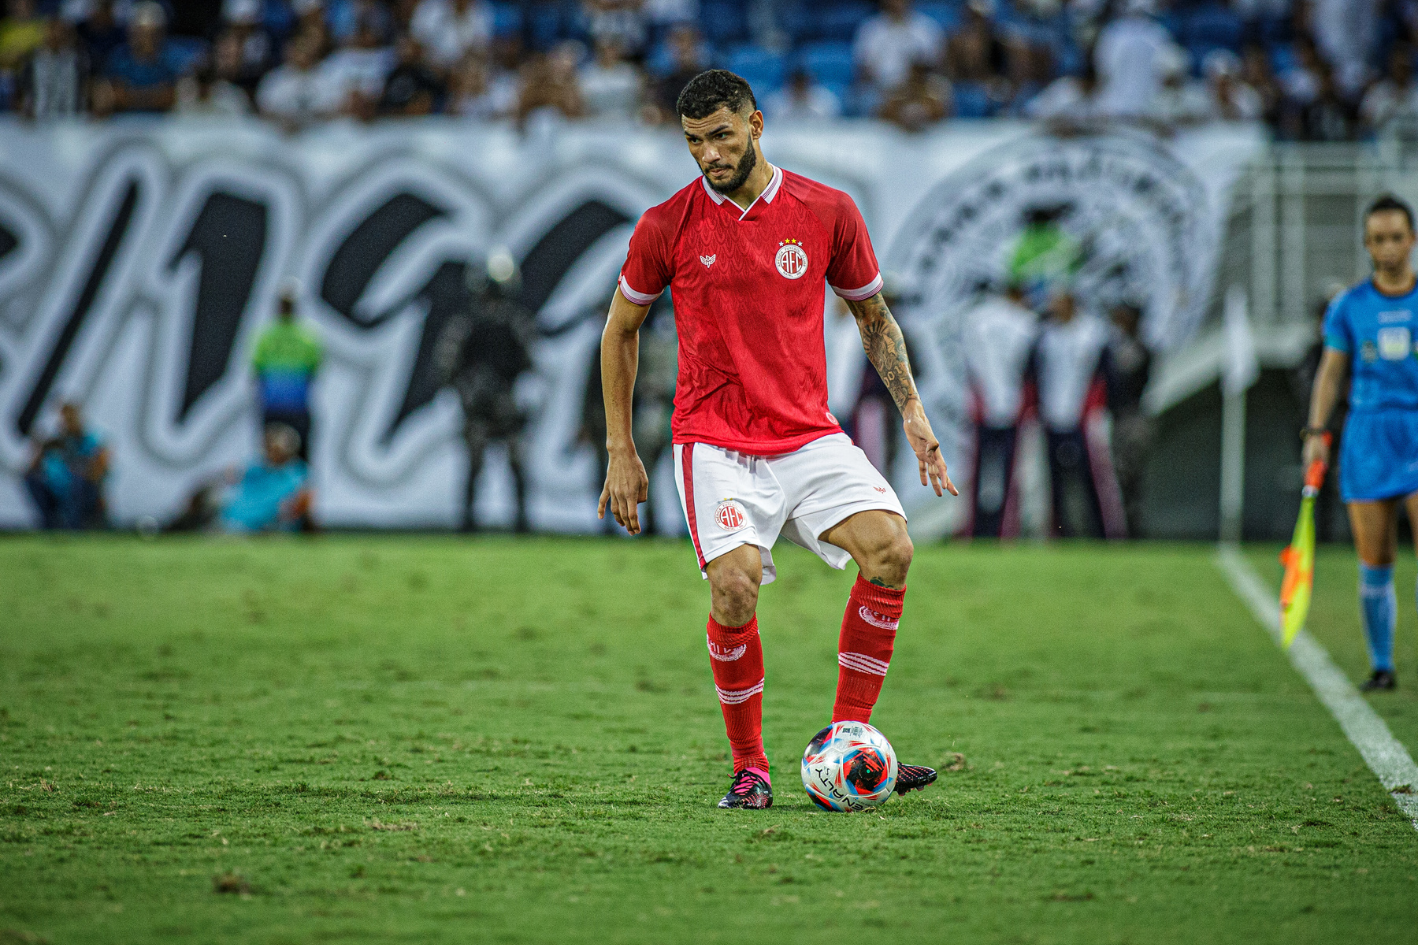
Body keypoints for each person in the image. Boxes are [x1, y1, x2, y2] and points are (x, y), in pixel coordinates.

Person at [600, 69, 956, 810]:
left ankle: (850, 740)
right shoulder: (666, 225)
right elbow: (620, 331)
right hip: (716, 441)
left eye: (721, 136)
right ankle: (751, 767)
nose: (708, 155)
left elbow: (874, 318)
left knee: (892, 548)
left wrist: (913, 414)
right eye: (694, 142)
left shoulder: (827, 210)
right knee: (734, 586)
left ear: (757, 125)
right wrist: (620, 449)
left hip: (806, 434)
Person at [1302, 194, 1418, 692]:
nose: (1388, 247)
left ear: (1411, 240)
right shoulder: (1349, 306)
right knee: (1375, 559)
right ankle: (1381, 665)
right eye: (1378, 239)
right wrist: (1315, 432)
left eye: (1397, 237)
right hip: (1367, 436)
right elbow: (1331, 374)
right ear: (1367, 244)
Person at [434, 252, 536, 533]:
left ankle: (521, 521)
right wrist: (467, 389)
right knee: (475, 465)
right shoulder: (468, 325)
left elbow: (530, 365)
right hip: (478, 405)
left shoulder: (514, 324)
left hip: (506, 405)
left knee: (515, 463)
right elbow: (447, 365)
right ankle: (469, 521)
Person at [1029, 287, 1124, 539]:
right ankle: (1060, 532)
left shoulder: (1093, 334)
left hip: (1085, 418)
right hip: (1052, 416)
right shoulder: (1046, 336)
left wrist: (1098, 408)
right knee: (1055, 482)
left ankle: (1105, 533)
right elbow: (1034, 374)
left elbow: (1106, 378)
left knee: (1094, 479)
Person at [962, 282, 1037, 538]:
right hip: (1012, 406)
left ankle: (973, 531)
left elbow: (972, 368)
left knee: (976, 473)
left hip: (982, 406)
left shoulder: (974, 320)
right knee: (1010, 474)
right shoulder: (1026, 322)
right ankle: (1005, 532)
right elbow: (1029, 370)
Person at [167, 424, 312, 533]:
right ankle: (178, 525)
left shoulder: (297, 473)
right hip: (234, 517)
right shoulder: (256, 466)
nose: (272, 451)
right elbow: (228, 475)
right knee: (211, 493)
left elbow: (303, 503)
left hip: (268, 525)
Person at [251, 283, 322, 460]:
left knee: (285, 462)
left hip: (283, 408)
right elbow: (313, 372)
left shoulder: (266, 336)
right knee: (278, 462)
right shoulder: (307, 337)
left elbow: (257, 372)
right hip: (286, 409)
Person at [23, 401, 109, 530]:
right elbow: (32, 468)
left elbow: (100, 468)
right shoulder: (56, 441)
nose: (67, 422)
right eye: (64, 419)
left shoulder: (90, 439)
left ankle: (76, 526)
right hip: (58, 489)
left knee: (78, 480)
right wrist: (41, 449)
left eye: (71, 418)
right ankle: (49, 522)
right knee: (32, 479)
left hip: (83, 490)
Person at [1104, 301, 1151, 538]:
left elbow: (1131, 380)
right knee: (1114, 474)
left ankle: (1132, 528)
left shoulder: (1141, 349)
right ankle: (1116, 527)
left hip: (1132, 417)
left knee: (1130, 473)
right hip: (1115, 416)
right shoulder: (1113, 348)